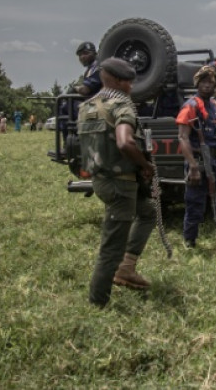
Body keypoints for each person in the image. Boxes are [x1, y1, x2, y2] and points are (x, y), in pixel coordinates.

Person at [76, 58, 157, 307]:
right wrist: (145, 165)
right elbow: (124, 142)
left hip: (101, 180)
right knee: (111, 246)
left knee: (148, 212)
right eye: (130, 82)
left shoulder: (87, 105)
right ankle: (97, 302)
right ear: (120, 81)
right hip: (120, 184)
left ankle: (127, 266)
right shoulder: (122, 104)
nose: (132, 87)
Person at [175, 66, 216, 250]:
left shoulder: (210, 105)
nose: (207, 85)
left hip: (215, 162)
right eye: (204, 82)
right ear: (197, 83)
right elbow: (182, 137)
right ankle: (189, 243)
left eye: (211, 82)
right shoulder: (191, 106)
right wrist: (193, 167)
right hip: (199, 163)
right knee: (195, 205)